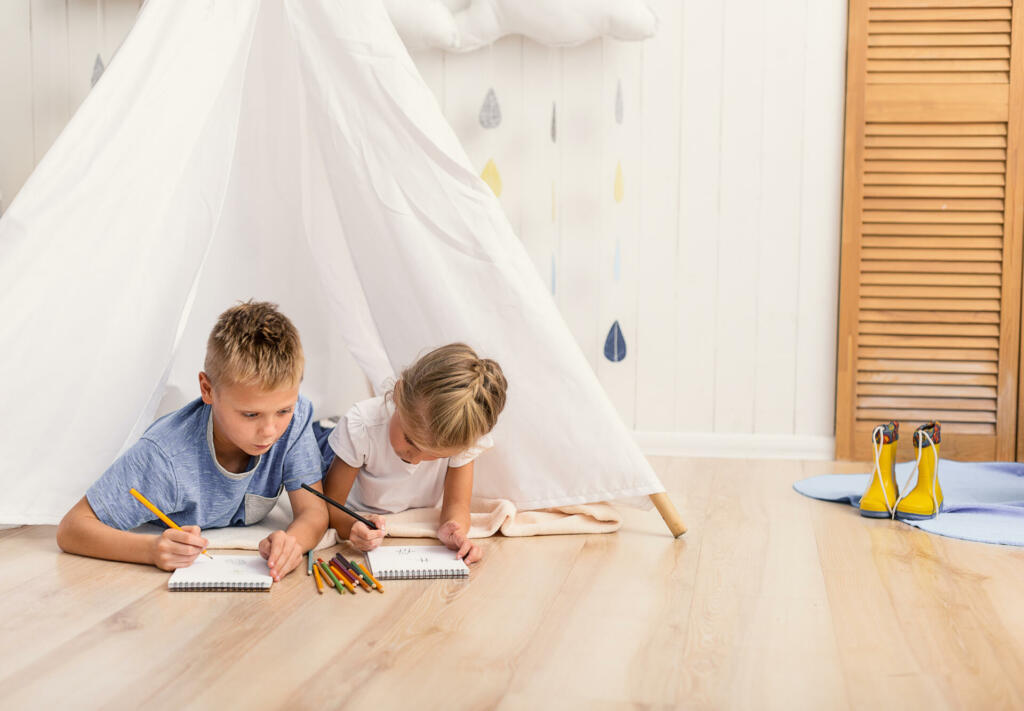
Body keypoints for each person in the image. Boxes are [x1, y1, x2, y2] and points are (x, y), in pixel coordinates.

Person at [56, 301, 328, 580]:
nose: (270, 431)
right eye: (250, 414)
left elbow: (313, 511)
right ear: (207, 390)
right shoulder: (164, 455)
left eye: (283, 410)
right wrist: (150, 550)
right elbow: (72, 528)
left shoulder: (296, 418)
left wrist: (292, 543)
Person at [319, 343, 507, 564]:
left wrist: (455, 531)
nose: (414, 458)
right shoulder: (362, 425)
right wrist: (351, 525)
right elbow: (329, 505)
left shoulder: (460, 440)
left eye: (434, 456)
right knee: (319, 443)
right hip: (333, 448)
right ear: (398, 394)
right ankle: (327, 425)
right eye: (410, 440)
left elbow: (457, 506)